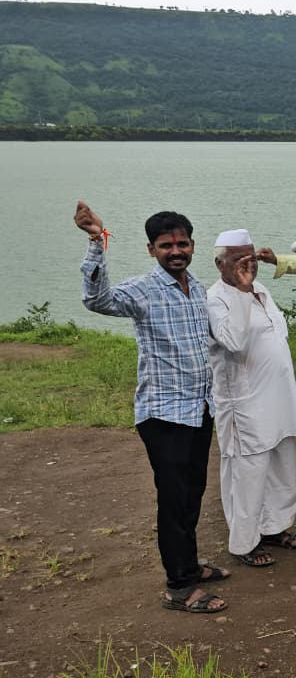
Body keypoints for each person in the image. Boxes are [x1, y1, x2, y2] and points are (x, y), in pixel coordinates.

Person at [76, 201, 226, 614]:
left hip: (198, 409)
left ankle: (189, 565)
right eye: (166, 245)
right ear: (151, 249)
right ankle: (179, 587)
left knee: (192, 493)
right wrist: (95, 242)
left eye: (181, 243)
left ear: (192, 245)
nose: (175, 251)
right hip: (163, 415)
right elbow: (97, 300)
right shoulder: (142, 290)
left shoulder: (197, 288)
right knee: (174, 499)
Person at [207, 229, 296, 569]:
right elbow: (233, 341)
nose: (248, 264)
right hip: (245, 404)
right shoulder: (217, 298)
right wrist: (239, 289)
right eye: (239, 259)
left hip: (278, 398)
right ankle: (244, 542)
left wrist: (248, 288)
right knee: (247, 471)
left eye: (250, 257)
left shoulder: (260, 290)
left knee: (281, 464)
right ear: (220, 263)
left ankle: (274, 527)